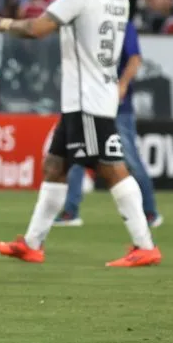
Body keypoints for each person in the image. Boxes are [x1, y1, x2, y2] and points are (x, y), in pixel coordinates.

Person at [0, 0, 162, 267]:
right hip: (92, 97)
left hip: (87, 101)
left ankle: (145, 244)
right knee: (54, 167)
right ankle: (32, 243)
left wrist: (1, 23)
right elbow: (87, 20)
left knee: (112, 170)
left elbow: (37, 29)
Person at [56, 20, 162, 228]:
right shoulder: (89, 21)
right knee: (77, 157)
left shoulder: (122, 23)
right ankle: (70, 211)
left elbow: (135, 58)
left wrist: (122, 85)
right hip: (90, 102)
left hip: (117, 107)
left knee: (130, 160)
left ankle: (150, 211)